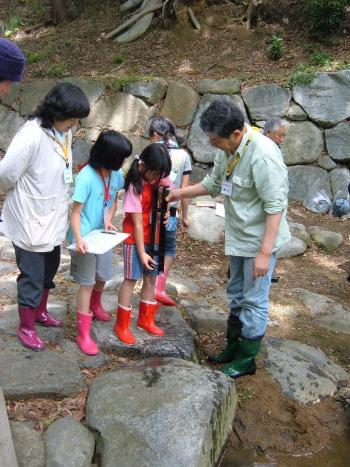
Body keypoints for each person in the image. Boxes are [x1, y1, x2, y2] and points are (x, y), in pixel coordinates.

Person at [167, 99, 290, 378]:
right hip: (239, 236)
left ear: (236, 133)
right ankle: (233, 348)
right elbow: (212, 183)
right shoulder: (229, 149)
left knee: (255, 299)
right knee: (236, 292)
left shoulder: (263, 155)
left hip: (260, 241)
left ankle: (246, 359)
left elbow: (275, 207)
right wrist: (178, 194)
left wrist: (264, 253)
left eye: (215, 140)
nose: (213, 145)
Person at [0, 83, 90, 351]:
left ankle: (40, 312)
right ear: (56, 112)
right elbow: (5, 175)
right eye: (72, 118)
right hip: (29, 215)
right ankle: (26, 327)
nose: (75, 124)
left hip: (52, 215)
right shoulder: (30, 135)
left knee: (49, 267)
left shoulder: (63, 133)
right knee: (32, 274)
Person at [68, 130, 132, 355]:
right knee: (86, 283)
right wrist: (78, 240)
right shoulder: (85, 177)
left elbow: (113, 198)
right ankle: (83, 334)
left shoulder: (116, 174)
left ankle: (95, 305)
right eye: (122, 158)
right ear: (110, 156)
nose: (124, 162)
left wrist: (108, 218)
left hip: (102, 236)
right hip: (84, 238)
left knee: (102, 275)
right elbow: (74, 214)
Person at [114, 143, 172, 345]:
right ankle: (122, 325)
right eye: (155, 173)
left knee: (151, 278)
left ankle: (145, 319)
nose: (158, 178)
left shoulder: (158, 179)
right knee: (131, 279)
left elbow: (169, 195)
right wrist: (142, 253)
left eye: (160, 174)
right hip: (134, 240)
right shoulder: (134, 186)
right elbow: (137, 225)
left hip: (154, 237)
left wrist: (166, 211)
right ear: (144, 165)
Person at [148, 116, 192, 306]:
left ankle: (148, 287)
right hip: (171, 212)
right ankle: (160, 286)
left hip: (150, 211)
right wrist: (186, 215)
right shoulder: (183, 155)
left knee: (152, 245)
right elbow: (185, 189)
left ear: (156, 135)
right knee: (169, 247)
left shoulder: (151, 152)